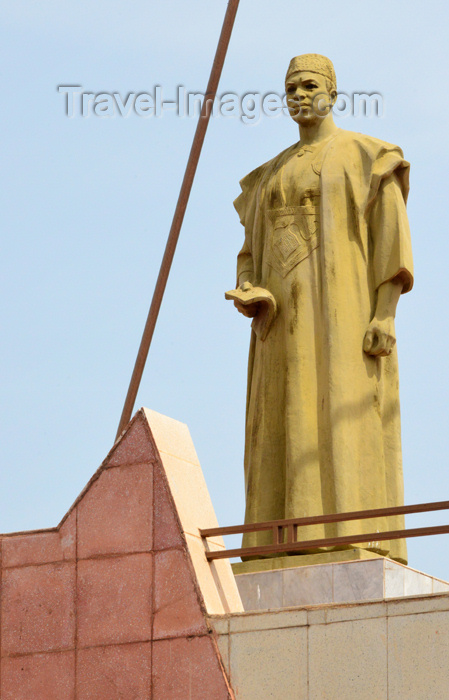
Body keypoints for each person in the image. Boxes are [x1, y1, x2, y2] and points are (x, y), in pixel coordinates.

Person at [230, 54, 413, 563]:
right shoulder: (268, 175)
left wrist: (384, 312)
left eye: (310, 85)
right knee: (280, 423)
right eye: (290, 88)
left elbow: (391, 242)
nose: (299, 95)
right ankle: (276, 545)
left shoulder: (367, 157)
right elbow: (249, 253)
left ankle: (351, 533)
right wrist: (248, 287)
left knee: (342, 415)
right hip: (279, 330)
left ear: (333, 91)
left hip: (344, 317)